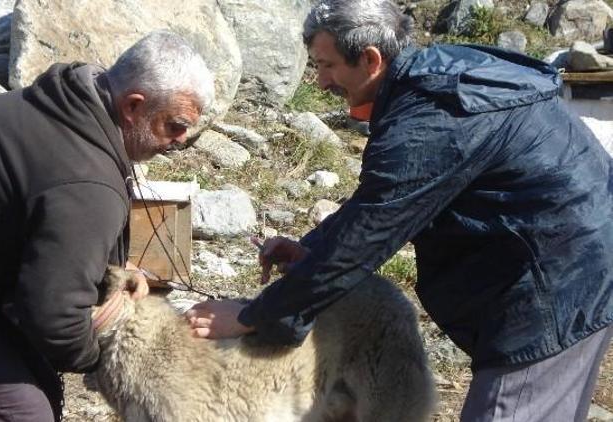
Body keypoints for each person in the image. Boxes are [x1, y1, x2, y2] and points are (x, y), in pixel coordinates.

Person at [186, 1, 613, 421]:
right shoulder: (440, 78)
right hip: (581, 257)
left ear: (370, 59)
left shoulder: (433, 116)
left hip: (550, 286)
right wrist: (311, 250)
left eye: (327, 65)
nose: (320, 82)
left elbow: (367, 236)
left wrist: (251, 317)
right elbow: (384, 202)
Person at [0, 30, 213, 421]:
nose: (181, 141)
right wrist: (103, 356)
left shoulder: (63, 105)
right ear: (133, 105)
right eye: (176, 125)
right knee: (22, 415)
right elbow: (54, 320)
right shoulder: (87, 182)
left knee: (40, 383)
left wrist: (100, 271)